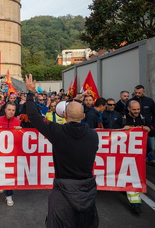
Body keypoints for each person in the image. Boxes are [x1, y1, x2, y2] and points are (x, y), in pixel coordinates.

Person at [25, 74, 99, 228]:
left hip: (62, 190)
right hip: (87, 190)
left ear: (64, 115)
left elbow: (34, 116)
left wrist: (30, 93)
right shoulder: (93, 135)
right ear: (84, 116)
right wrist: (77, 99)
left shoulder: (57, 132)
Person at [119, 100, 151, 214]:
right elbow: (112, 132)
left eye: (138, 109)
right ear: (128, 109)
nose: (137, 111)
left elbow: (152, 133)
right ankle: (124, 189)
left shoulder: (143, 118)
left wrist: (149, 129)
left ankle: (135, 204)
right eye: (134, 109)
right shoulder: (121, 118)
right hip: (123, 153)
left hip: (137, 155)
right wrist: (122, 129)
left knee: (133, 176)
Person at [0, 102, 22, 206]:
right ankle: (3, 186)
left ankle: (8, 195)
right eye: (9, 110)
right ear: (5, 110)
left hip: (13, 152)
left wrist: (21, 131)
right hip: (0, 152)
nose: (11, 112)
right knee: (1, 171)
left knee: (9, 173)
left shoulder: (18, 122)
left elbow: (24, 137)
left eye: (13, 110)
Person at [128, 85, 155, 166]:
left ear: (144, 92)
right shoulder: (130, 101)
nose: (137, 94)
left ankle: (147, 157)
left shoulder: (149, 101)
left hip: (148, 128)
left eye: (139, 93)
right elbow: (126, 114)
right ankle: (139, 161)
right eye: (135, 92)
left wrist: (152, 125)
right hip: (135, 128)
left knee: (151, 147)